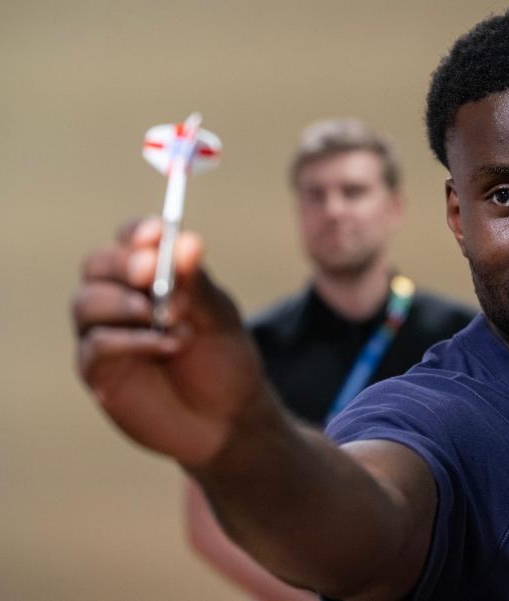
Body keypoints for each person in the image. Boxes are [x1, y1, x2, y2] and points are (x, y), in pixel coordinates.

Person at [73, 6, 509, 599]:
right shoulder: (440, 420)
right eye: (504, 195)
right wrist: (239, 443)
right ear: (456, 215)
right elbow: (367, 522)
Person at [184, 118, 474, 600]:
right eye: (315, 195)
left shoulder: (461, 340)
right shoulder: (249, 348)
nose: (333, 209)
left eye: (353, 191)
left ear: (393, 207)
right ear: (299, 211)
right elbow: (206, 520)